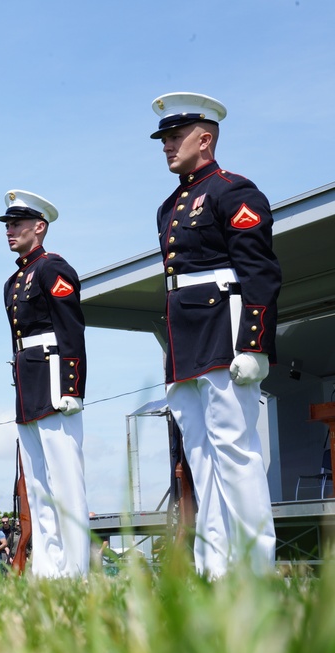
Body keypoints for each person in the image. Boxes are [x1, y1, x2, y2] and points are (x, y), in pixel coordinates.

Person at [150, 92, 280, 577]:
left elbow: (260, 271)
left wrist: (255, 341)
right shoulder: (169, 206)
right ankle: (214, 567)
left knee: (235, 449)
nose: (166, 146)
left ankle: (254, 569)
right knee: (200, 457)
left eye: (175, 136)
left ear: (205, 139)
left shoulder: (234, 191)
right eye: (163, 138)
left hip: (223, 329)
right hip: (185, 337)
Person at [1, 190, 90, 578]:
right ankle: (50, 568)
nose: (9, 231)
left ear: (40, 227)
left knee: (65, 478)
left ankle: (76, 568)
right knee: (37, 483)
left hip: (54, 376)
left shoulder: (53, 268)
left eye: (17, 224)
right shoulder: (14, 280)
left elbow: (72, 328)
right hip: (28, 379)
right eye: (7, 224)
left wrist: (72, 386)